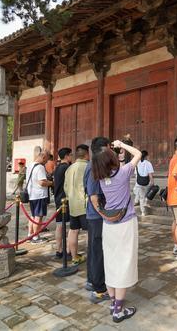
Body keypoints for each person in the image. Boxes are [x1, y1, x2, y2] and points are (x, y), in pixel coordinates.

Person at [91, 139, 141, 323]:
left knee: (111, 264)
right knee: (124, 264)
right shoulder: (123, 172)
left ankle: (113, 303)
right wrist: (122, 144)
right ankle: (118, 310)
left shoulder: (102, 179)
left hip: (109, 225)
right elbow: (138, 154)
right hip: (125, 223)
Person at [84, 137, 112, 304]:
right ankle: (99, 289)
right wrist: (104, 214)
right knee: (99, 252)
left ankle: (92, 280)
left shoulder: (92, 165)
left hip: (94, 215)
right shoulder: (94, 166)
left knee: (94, 250)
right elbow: (94, 196)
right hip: (97, 215)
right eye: (108, 148)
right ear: (103, 149)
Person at [64, 144, 89, 265]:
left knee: (73, 230)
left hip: (72, 204)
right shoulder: (88, 167)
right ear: (87, 154)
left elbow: (66, 187)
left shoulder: (70, 168)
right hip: (86, 205)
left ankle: (74, 257)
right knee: (91, 232)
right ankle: (92, 256)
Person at [26, 150, 52, 243]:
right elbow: (42, 182)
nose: (46, 162)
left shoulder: (30, 165)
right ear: (43, 157)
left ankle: (30, 235)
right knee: (38, 216)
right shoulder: (40, 167)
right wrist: (51, 183)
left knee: (33, 216)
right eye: (47, 160)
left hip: (32, 194)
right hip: (39, 195)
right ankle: (36, 237)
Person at [53, 147, 72, 259]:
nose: (71, 157)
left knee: (59, 225)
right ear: (66, 156)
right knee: (69, 226)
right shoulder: (67, 168)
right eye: (70, 155)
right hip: (65, 199)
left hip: (58, 198)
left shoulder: (57, 168)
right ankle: (68, 250)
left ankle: (59, 249)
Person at [133, 150, 154, 217]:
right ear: (146, 156)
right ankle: (145, 202)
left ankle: (143, 212)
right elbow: (150, 174)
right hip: (146, 182)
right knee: (146, 195)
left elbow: (136, 174)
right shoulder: (148, 163)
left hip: (139, 182)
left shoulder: (137, 163)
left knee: (141, 197)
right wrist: (152, 181)